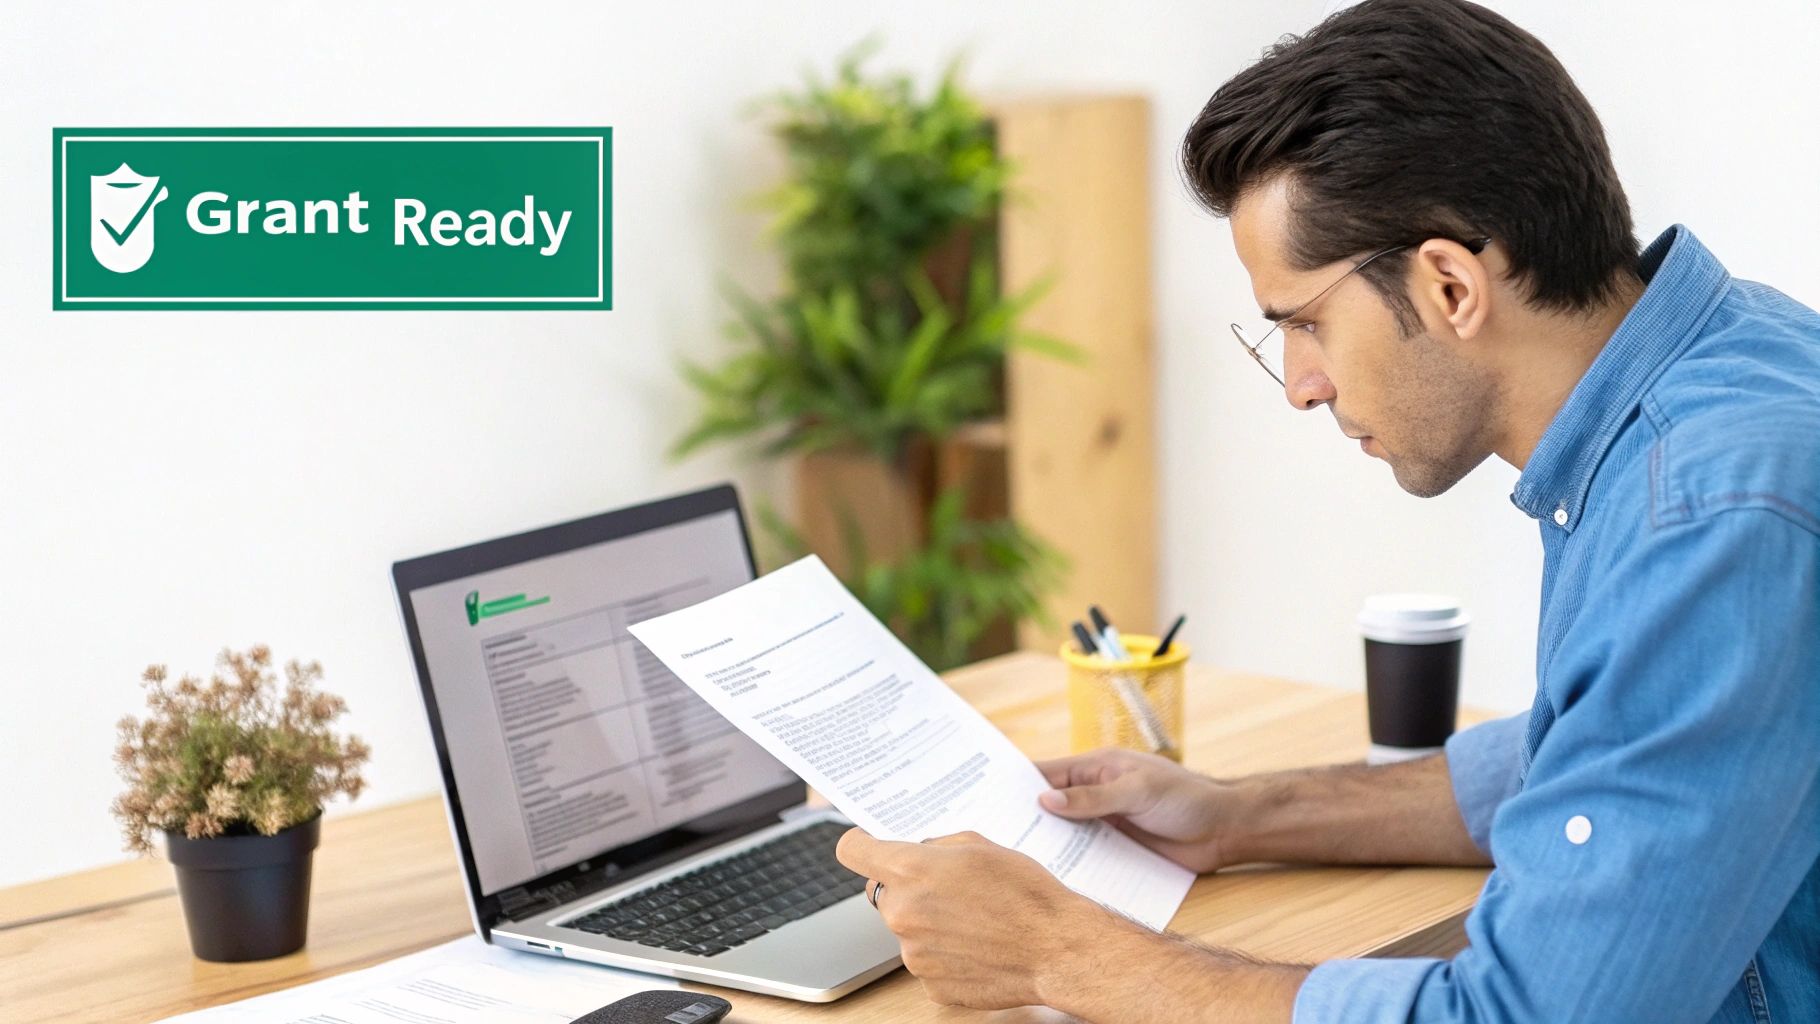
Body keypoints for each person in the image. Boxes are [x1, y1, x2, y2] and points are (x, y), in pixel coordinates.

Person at [834, 0, 1820, 1020]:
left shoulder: (1710, 514)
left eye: (1304, 322)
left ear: (1447, 286)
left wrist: (1056, 953)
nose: (1300, 383)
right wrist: (1237, 816)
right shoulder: (1730, 363)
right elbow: (1602, 747)